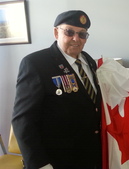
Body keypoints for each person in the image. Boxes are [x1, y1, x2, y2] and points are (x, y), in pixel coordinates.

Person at [12, 10, 102, 169]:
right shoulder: (36, 63)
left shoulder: (88, 61)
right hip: (56, 160)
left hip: (89, 155)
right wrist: (39, 164)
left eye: (82, 34)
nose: (76, 39)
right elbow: (23, 120)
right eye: (69, 32)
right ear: (56, 32)